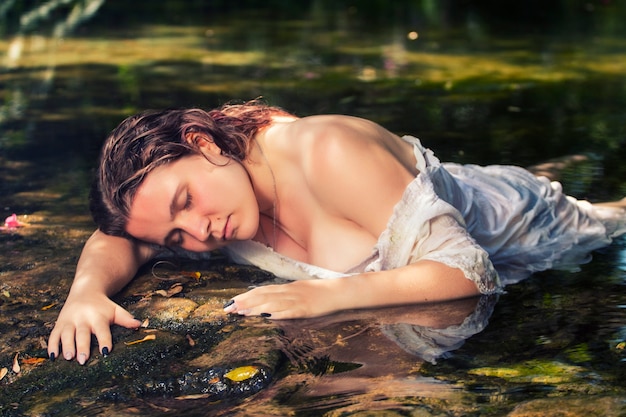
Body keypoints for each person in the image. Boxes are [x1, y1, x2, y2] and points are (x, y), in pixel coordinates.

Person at [47, 100, 626, 365]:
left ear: (203, 143)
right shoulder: (206, 210)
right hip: (416, 198)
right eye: (176, 238)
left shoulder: (326, 150)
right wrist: (85, 296)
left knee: (609, 223)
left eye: (187, 201)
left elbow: (469, 275)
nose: (199, 231)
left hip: (519, 221)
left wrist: (324, 296)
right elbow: (118, 236)